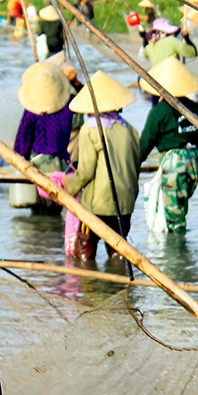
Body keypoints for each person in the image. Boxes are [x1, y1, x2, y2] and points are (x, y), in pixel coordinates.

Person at [63, 72, 141, 260]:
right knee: (118, 252)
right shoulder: (129, 129)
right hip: (125, 203)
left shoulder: (90, 129)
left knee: (84, 253)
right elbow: (136, 165)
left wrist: (68, 186)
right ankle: (121, 283)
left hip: (98, 206)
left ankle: (89, 287)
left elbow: (86, 171)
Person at [137, 58, 198, 233]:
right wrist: (195, 152)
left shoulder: (159, 112)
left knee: (174, 217)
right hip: (194, 160)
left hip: (174, 161)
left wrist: (133, 166)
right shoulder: (194, 108)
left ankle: (177, 254)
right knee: (180, 206)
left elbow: (145, 145)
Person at [14, 60, 75, 179]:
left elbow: (22, 145)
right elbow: (84, 99)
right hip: (62, 166)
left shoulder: (32, 111)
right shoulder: (69, 105)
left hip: (40, 166)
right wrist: (74, 81)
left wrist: (19, 162)